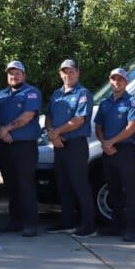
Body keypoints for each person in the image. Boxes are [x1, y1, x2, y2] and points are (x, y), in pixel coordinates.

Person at [44, 59, 95, 238]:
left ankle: (89, 225)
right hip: (59, 145)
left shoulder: (83, 93)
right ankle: (66, 222)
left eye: (71, 71)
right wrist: (52, 133)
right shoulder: (56, 94)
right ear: (60, 74)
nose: (68, 75)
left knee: (80, 185)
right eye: (64, 72)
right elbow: (48, 115)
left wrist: (56, 132)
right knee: (63, 185)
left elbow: (79, 120)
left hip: (75, 145)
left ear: (78, 73)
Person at [93, 68, 135, 242]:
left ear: (126, 82)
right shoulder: (105, 103)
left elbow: (132, 127)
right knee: (113, 189)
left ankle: (132, 228)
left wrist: (111, 141)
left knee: (129, 190)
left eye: (120, 79)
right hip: (108, 151)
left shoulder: (132, 102)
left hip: (124, 151)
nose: (116, 82)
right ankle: (116, 225)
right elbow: (98, 126)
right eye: (114, 79)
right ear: (110, 81)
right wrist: (104, 143)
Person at [0, 60, 42, 237]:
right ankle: (15, 221)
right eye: (10, 73)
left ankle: (30, 224)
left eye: (17, 73)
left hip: (24, 147)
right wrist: (0, 129)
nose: (13, 76)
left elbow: (28, 116)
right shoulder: (0, 94)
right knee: (11, 186)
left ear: (24, 75)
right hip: (4, 145)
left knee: (25, 185)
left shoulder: (31, 93)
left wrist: (7, 128)